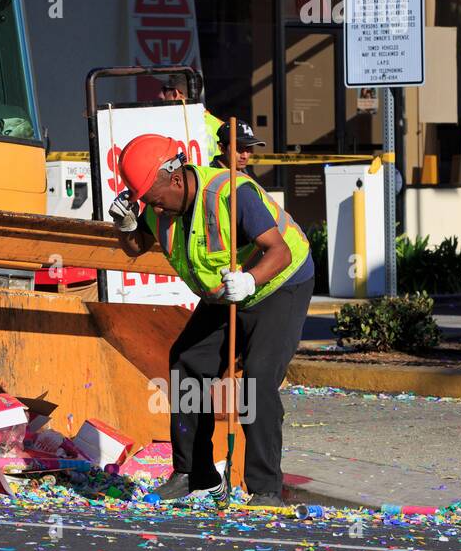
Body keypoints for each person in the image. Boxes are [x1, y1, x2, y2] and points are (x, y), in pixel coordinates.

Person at [108, 133, 314, 507]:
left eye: (152, 198)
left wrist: (250, 279)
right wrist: (126, 228)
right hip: (223, 293)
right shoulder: (161, 208)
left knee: (258, 377)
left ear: (174, 178)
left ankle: (266, 488)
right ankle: (195, 475)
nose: (152, 207)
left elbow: (279, 251)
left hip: (278, 285)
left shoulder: (231, 193)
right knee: (186, 363)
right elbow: (138, 247)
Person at [159, 74, 223, 163]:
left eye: (164, 90)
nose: (160, 95)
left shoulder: (164, 127)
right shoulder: (222, 126)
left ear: (175, 94)